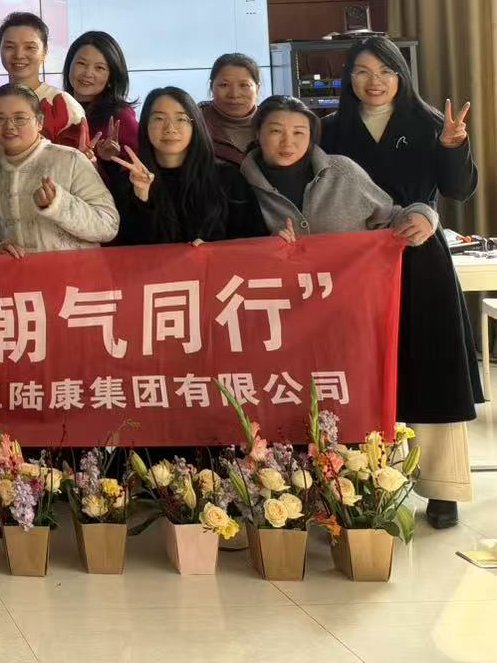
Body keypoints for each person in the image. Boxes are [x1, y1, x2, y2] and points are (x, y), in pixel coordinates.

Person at [319, 38, 481, 527]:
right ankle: (361, 483)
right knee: (360, 369)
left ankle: (442, 488)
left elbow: (458, 190)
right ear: (348, 77)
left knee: (431, 367)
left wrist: (453, 148)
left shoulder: (431, 123)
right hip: (353, 265)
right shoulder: (329, 128)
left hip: (418, 256)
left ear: (401, 75)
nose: (375, 82)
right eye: (362, 71)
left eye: (385, 71)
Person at [240, 94, 438, 248]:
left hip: (351, 287)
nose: (288, 142)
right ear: (258, 133)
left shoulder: (343, 171)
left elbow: (391, 217)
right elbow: (232, 252)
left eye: (299, 132)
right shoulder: (238, 184)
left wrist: (424, 216)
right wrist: (266, 247)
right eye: (276, 131)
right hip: (282, 288)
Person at [0, 85, 118, 255]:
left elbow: (109, 225)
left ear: (39, 122)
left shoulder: (71, 160)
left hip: (77, 270)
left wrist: (59, 203)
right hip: (18, 272)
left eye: (20, 118)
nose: (9, 126)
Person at [106, 88, 264, 245]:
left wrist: (215, 249)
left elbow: (253, 241)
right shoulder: (128, 182)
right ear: (145, 126)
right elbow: (128, 249)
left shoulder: (228, 178)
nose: (170, 128)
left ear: (195, 125)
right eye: (159, 118)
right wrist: (142, 196)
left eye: (181, 119)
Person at [0, 13, 85, 149]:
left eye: (30, 47)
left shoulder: (64, 103)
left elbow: (76, 157)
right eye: (9, 47)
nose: (19, 55)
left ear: (44, 52)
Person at [62, 30, 139, 177]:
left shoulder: (120, 117)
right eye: (81, 63)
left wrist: (109, 160)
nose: (88, 73)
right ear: (69, 65)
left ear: (111, 76)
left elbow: (138, 174)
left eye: (99, 68)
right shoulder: (56, 107)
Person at [201, 53, 262, 167]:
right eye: (224, 85)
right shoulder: (194, 126)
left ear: (257, 89)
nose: (234, 94)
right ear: (211, 88)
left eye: (244, 85)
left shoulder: (273, 122)